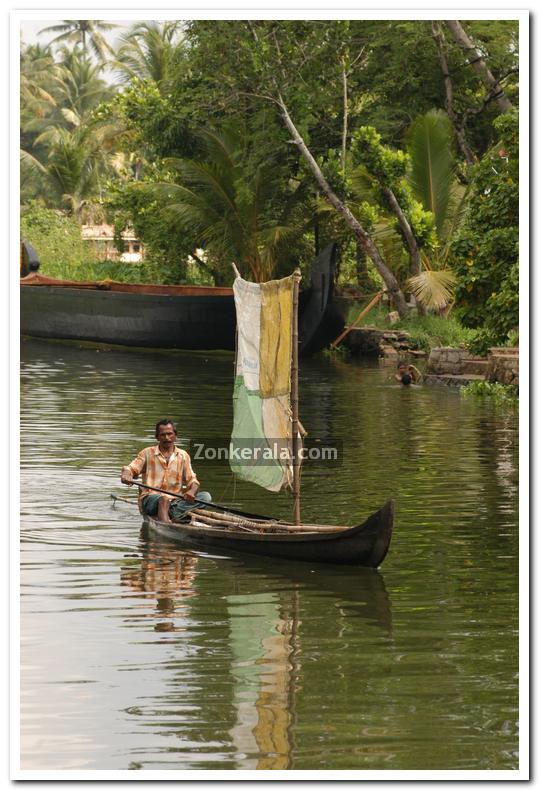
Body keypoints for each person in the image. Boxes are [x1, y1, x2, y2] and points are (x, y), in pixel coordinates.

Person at [121, 419, 211, 523]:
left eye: (170, 434)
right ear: (157, 437)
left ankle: (171, 512)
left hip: (175, 502)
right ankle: (168, 522)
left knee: (205, 497)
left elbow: (193, 481)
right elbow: (130, 469)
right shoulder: (147, 453)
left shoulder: (183, 456)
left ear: (175, 436)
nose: (167, 438)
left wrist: (192, 491)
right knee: (163, 499)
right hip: (151, 500)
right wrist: (126, 475)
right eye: (163, 435)